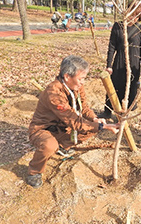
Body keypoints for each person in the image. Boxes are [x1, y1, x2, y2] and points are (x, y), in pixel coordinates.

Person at [27, 55, 119, 188]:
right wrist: (103, 126)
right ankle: (34, 171)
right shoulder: (53, 93)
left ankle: (63, 146)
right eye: (81, 79)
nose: (83, 82)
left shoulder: (76, 86)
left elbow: (84, 107)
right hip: (43, 130)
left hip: (63, 127)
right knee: (49, 145)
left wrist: (94, 119)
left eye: (84, 79)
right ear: (67, 76)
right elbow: (74, 121)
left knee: (90, 128)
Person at [99, 1, 141, 119]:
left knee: (130, 88)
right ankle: (108, 110)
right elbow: (111, 47)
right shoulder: (118, 26)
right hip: (119, 62)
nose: (133, 18)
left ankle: (125, 113)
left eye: (136, 16)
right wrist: (109, 65)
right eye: (131, 15)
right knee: (114, 86)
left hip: (134, 64)